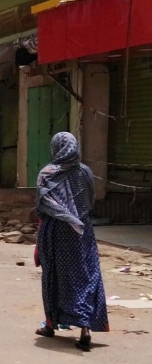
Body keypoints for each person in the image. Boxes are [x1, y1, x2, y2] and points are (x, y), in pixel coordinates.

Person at [34, 131, 109, 351]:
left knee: (54, 276)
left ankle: (50, 325)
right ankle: (85, 327)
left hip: (55, 232)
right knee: (85, 275)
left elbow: (42, 204)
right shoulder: (85, 172)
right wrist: (77, 217)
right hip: (82, 232)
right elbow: (91, 199)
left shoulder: (47, 173)